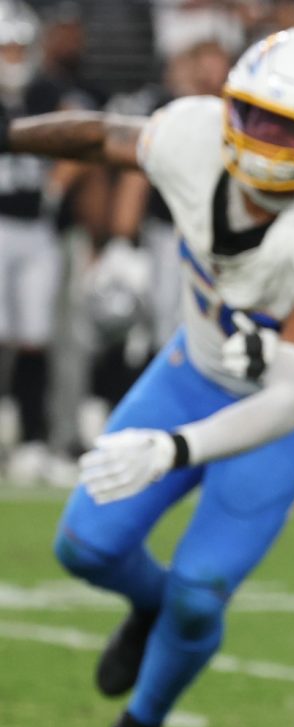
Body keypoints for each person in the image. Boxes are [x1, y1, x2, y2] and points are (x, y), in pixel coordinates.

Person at [8, 28, 294, 727]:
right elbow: (101, 136)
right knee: (84, 548)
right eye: (258, 118)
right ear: (229, 108)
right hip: (192, 373)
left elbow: (289, 396)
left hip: (285, 418)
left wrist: (174, 449)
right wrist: (9, 135)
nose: (270, 144)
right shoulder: (191, 136)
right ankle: (145, 610)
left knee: (199, 593)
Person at [0, 2, 68, 485]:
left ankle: (32, 437)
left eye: (20, 47)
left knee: (35, 335)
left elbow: (82, 140)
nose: (14, 56)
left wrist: (59, 182)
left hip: (38, 228)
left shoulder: (46, 93)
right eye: (7, 47)